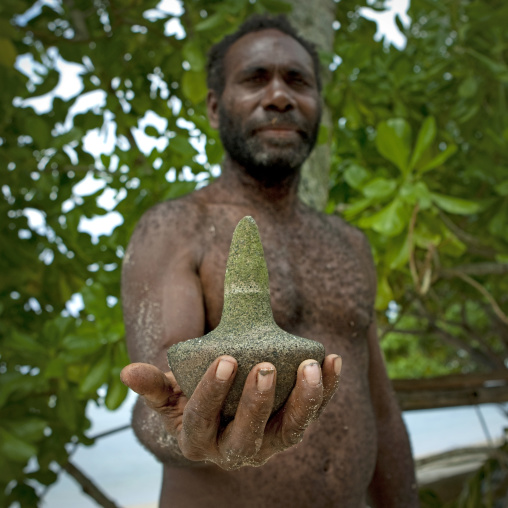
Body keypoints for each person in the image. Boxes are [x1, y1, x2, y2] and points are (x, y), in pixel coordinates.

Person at [120, 14, 419, 508]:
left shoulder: (349, 244)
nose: (279, 95)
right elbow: (159, 395)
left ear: (317, 105)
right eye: (256, 78)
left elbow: (381, 413)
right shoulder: (174, 227)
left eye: (297, 81)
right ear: (216, 108)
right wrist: (187, 429)